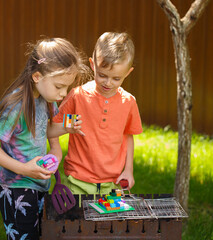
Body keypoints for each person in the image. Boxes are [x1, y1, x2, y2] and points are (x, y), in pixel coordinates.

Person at [0, 38, 87, 240]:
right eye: (59, 86)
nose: (63, 93)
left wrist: (66, 129)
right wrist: (23, 168)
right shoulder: (16, 104)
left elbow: (44, 130)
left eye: (67, 87)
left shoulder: (47, 100)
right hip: (16, 188)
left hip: (39, 183)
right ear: (37, 76)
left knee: (41, 235)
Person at [48, 32, 143, 195]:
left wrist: (128, 170)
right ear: (93, 65)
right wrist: (56, 149)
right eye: (102, 75)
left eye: (116, 78)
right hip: (78, 180)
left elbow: (128, 136)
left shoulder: (128, 102)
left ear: (128, 73)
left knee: (106, 221)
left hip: (112, 182)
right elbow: (53, 126)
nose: (108, 83)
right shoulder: (78, 97)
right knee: (78, 221)